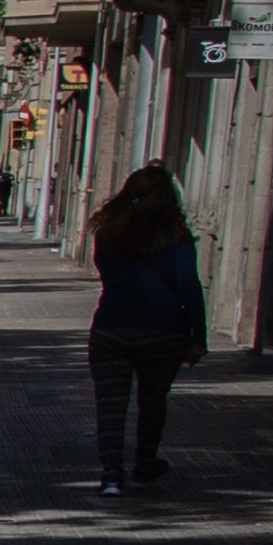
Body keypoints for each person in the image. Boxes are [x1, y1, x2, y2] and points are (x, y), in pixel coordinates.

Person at [82, 166, 207, 497]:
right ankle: (144, 464)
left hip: (111, 327)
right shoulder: (175, 236)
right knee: (153, 402)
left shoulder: (107, 231)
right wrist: (199, 338)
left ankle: (111, 476)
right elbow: (189, 286)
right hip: (163, 332)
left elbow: (104, 270)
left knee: (109, 405)